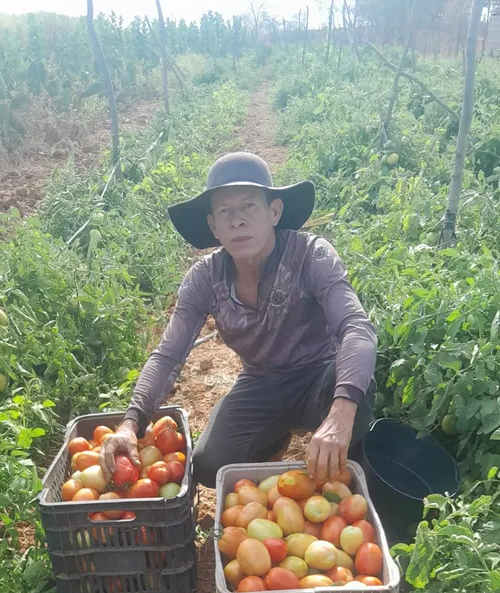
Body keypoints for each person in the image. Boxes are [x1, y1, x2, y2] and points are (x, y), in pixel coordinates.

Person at [100, 152, 377, 488]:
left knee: (352, 392)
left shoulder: (310, 255)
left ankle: (360, 472)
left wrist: (341, 413)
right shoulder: (204, 278)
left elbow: (356, 328)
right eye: (225, 212)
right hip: (261, 384)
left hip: (319, 377)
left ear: (274, 212)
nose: (237, 221)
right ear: (214, 226)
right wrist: (131, 422)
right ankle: (272, 443)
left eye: (249, 206)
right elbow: (168, 356)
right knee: (208, 466)